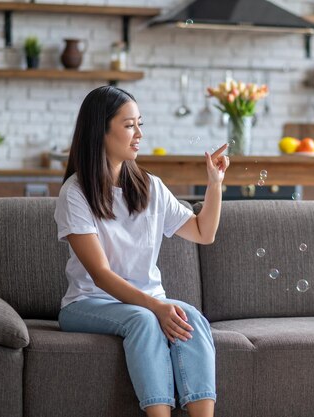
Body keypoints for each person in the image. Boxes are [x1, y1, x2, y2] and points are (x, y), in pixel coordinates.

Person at [54, 85, 229, 417]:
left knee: (190, 316)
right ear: (100, 130)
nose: (139, 134)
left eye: (140, 124)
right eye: (129, 125)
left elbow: (204, 233)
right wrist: (157, 307)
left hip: (146, 302)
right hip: (88, 303)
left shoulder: (150, 187)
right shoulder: (75, 193)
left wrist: (214, 184)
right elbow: (101, 276)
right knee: (145, 321)